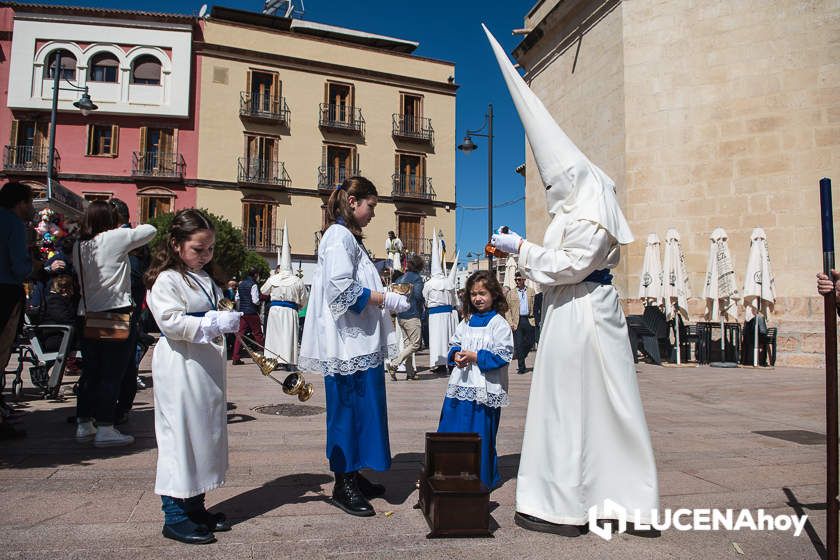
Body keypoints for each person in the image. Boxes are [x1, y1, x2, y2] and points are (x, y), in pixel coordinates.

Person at [484, 26, 658, 535]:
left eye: (554, 181)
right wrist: (530, 254)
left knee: (581, 405)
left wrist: (522, 248)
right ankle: (570, 497)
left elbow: (572, 264)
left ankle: (598, 499)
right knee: (580, 405)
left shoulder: (590, 213)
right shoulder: (575, 208)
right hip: (571, 309)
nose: (550, 187)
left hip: (582, 309)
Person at [299, 176, 409, 517]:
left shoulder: (349, 239)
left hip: (358, 342)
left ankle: (356, 473)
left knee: (364, 410)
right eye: (371, 207)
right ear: (353, 202)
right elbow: (341, 289)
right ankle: (342, 483)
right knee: (347, 411)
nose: (373, 215)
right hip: (346, 345)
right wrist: (386, 298)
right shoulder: (337, 236)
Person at [145, 209, 242, 545]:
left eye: (210, 249)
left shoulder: (206, 278)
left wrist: (225, 318)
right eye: (198, 249)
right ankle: (173, 516)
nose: (206, 256)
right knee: (180, 437)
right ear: (176, 244)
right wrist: (210, 324)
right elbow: (170, 321)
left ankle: (195, 506)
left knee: (204, 434)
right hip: (180, 367)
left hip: (205, 368)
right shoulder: (167, 280)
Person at [73, 201, 156, 447]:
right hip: (113, 313)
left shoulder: (80, 245)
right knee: (112, 373)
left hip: (86, 313)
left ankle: (84, 423)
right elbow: (150, 230)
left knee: (91, 371)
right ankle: (106, 427)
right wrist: (122, 228)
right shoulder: (114, 238)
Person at [438, 270, 513, 490]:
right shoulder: (466, 321)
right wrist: (455, 356)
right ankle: (449, 472)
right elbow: (455, 342)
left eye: (482, 293)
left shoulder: (499, 324)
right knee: (453, 428)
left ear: (493, 295)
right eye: (473, 294)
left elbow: (503, 355)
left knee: (480, 433)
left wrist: (475, 356)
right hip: (461, 385)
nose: (477, 298)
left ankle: (481, 478)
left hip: (484, 390)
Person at [109, 197, 151, 414]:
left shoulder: (128, 241)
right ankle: (105, 411)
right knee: (110, 361)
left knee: (120, 361)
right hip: (119, 309)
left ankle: (117, 411)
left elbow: (134, 277)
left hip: (123, 310)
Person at [0, 182, 34, 439]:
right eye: (30, 202)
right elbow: (19, 266)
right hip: (6, 291)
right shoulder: (13, 224)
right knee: (2, 352)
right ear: (19, 203)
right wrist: (33, 265)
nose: (31, 208)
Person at [261, 222, 308, 370]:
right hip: (290, 311)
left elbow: (263, 291)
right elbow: (304, 299)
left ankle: (272, 360)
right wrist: (299, 305)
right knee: (288, 336)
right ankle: (288, 361)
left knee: (274, 335)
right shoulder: (297, 280)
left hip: (275, 311)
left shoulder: (273, 279)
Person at [423, 231, 458, 373]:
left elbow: (425, 298)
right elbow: (455, 300)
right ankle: (450, 362)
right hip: (448, 315)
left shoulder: (429, 284)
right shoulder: (449, 282)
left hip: (435, 316)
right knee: (448, 337)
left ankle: (441, 363)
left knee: (437, 339)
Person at [386, 254, 424, 381]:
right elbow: (418, 296)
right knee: (415, 344)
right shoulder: (417, 279)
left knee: (408, 344)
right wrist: (423, 304)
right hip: (412, 314)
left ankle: (410, 372)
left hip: (401, 315)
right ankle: (394, 364)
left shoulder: (399, 279)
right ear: (419, 267)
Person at [231, 268, 265, 365]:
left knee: (240, 335)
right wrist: (259, 302)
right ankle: (262, 356)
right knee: (258, 334)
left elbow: (237, 298)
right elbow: (255, 300)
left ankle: (235, 357)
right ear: (255, 275)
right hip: (252, 312)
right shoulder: (253, 284)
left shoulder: (241, 284)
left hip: (242, 312)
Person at [505, 272, 536, 374]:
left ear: (524, 280)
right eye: (516, 280)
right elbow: (507, 309)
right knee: (519, 344)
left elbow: (535, 306)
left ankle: (522, 354)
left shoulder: (531, 291)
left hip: (529, 319)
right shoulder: (511, 293)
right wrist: (510, 323)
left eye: (519, 279)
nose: (517, 281)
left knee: (530, 341)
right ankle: (521, 367)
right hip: (516, 321)